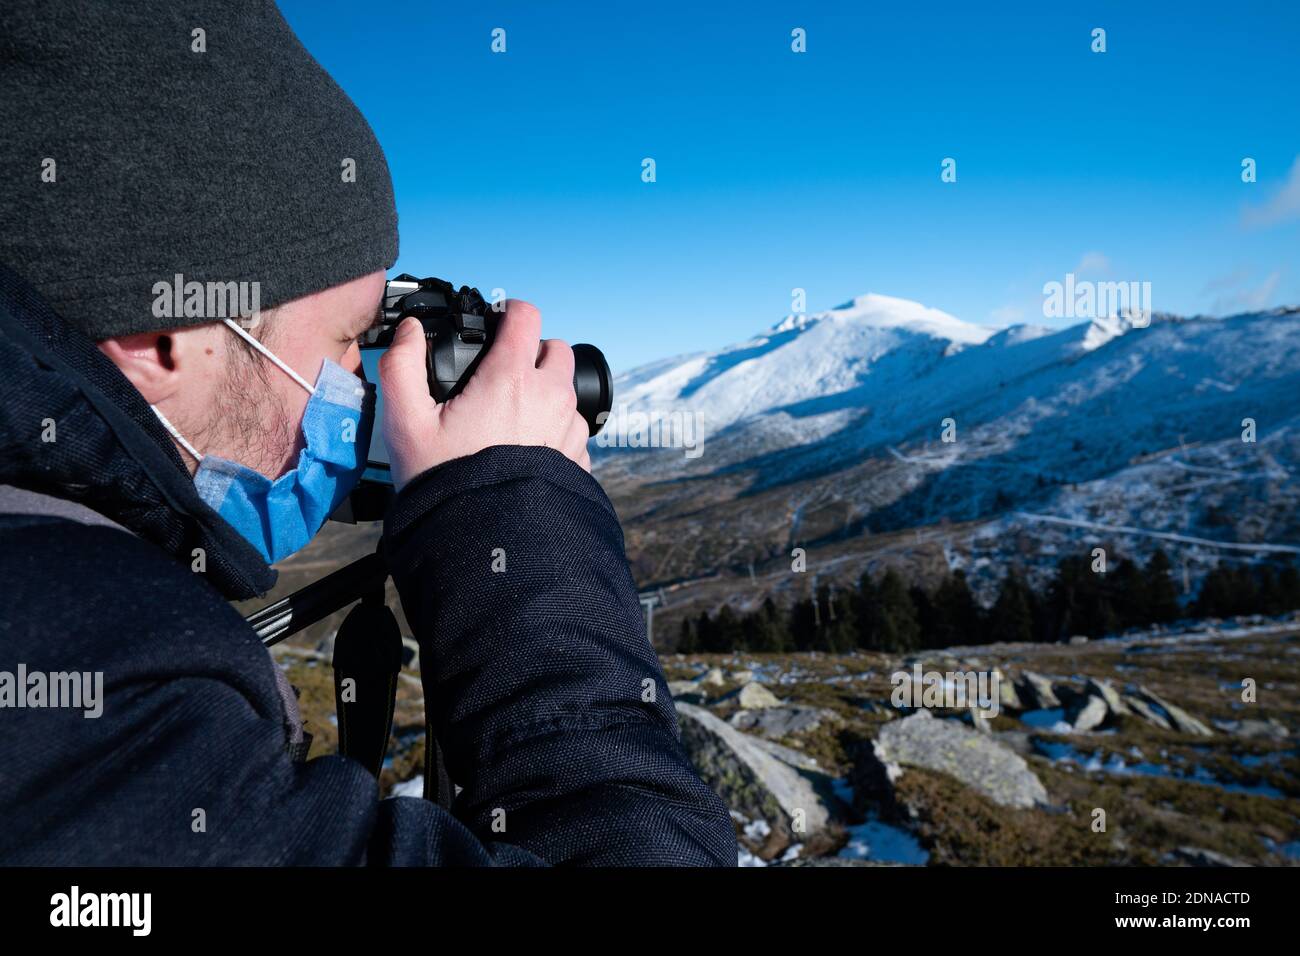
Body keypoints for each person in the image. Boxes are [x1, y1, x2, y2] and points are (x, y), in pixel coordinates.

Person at [0, 0, 736, 866]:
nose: (363, 388)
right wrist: (511, 514)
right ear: (168, 339)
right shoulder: (103, 698)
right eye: (349, 341)